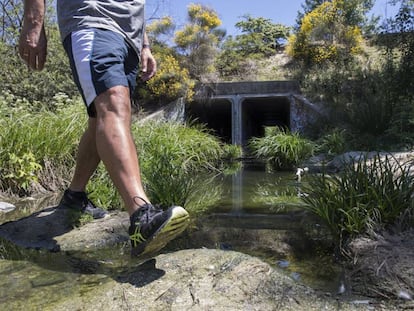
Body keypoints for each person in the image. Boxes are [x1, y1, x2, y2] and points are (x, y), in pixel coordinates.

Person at [18, 0, 189, 257]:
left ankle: (74, 197)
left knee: (101, 117)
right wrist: (33, 23)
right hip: (91, 19)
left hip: (129, 35)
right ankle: (140, 215)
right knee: (112, 104)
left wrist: (144, 44)